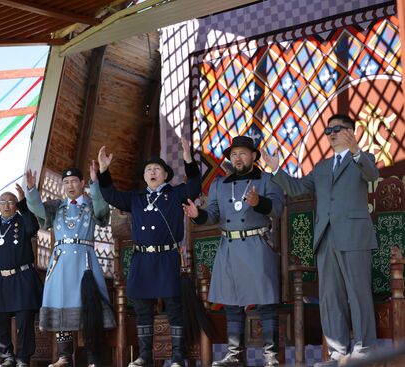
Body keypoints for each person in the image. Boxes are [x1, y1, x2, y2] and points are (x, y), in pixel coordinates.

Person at [265, 114, 378, 366]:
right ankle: (337, 352)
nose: (332, 134)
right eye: (328, 130)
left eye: (337, 129)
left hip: (354, 236)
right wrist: (276, 169)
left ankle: (365, 347)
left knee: (358, 293)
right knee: (330, 297)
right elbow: (296, 188)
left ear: (351, 131)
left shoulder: (363, 158)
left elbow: (372, 176)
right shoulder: (322, 168)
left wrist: (356, 149)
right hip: (326, 238)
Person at [97, 137, 201, 367]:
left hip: (167, 258)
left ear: (165, 175)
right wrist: (104, 171)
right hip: (142, 259)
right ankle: (145, 356)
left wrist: (188, 158)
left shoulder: (175, 194)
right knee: (142, 308)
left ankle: (177, 356)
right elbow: (111, 196)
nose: (152, 172)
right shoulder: (136, 198)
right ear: (144, 176)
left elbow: (195, 185)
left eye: (157, 169)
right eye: (148, 170)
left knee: (174, 307)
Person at [182, 136, 284, 367]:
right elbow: (213, 214)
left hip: (257, 245)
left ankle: (271, 354)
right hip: (228, 247)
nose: (237, 158)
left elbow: (277, 209)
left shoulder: (267, 180)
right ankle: (234, 354)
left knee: (266, 301)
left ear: (254, 156)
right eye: (234, 154)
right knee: (231, 302)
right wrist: (198, 214)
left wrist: (259, 202)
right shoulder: (219, 184)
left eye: (243, 153)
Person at [25, 162, 115, 367]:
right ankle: (64, 356)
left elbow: (102, 211)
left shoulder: (92, 203)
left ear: (82, 183)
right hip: (61, 262)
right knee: (61, 302)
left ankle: (93, 358)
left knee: (90, 306)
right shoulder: (56, 206)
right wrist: (31, 191)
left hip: (85, 261)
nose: (70, 185)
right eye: (66, 182)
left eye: (74, 181)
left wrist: (95, 183)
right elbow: (37, 209)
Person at [0, 188, 43, 367]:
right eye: (3, 202)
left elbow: (33, 227)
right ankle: (7, 357)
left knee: (24, 320)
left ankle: (23, 358)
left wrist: (24, 204)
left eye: (11, 202)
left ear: (16, 206)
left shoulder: (23, 221)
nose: (7, 205)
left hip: (22, 277)